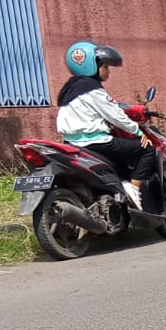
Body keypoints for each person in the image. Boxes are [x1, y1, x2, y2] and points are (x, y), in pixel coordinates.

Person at [55, 41, 153, 209]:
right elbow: (116, 116)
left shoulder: (70, 89)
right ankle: (133, 188)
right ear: (92, 66)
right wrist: (138, 132)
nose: (108, 71)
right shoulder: (93, 90)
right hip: (97, 143)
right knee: (147, 149)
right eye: (105, 67)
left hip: (71, 144)